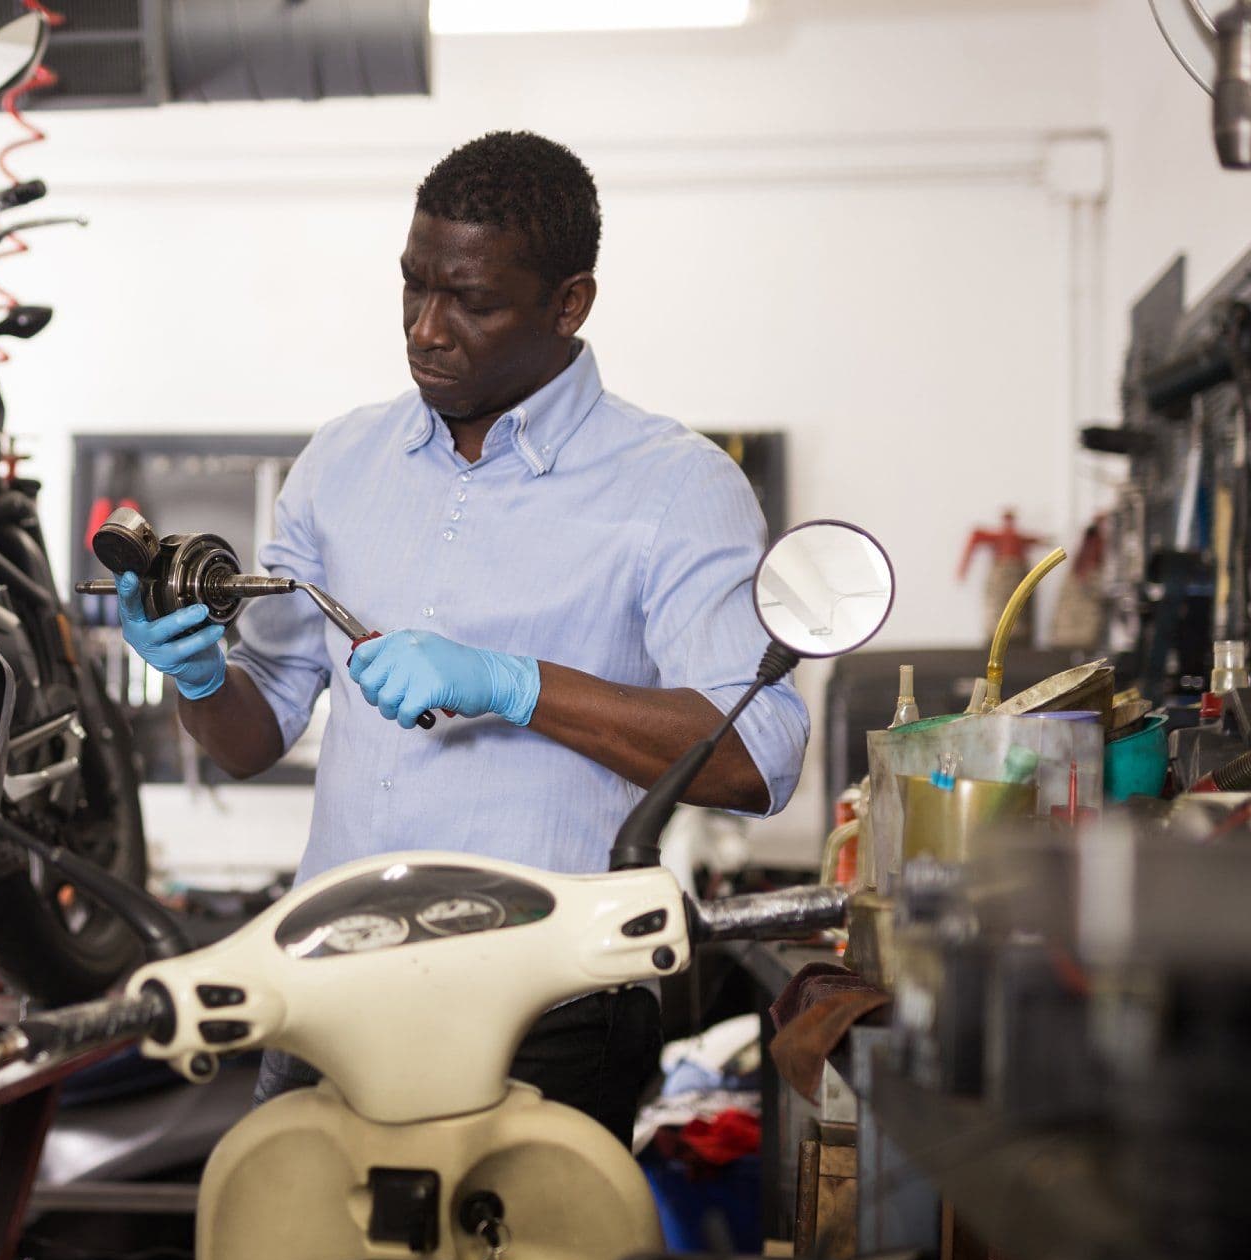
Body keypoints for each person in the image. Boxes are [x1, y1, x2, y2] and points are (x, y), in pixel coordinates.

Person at [111, 130, 808, 1145]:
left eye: (472, 301)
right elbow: (252, 732)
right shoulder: (344, 462)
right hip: (326, 987)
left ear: (569, 303)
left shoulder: (676, 487)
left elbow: (758, 756)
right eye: (412, 288)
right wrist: (197, 672)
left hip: (548, 1006)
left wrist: (513, 682)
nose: (426, 330)